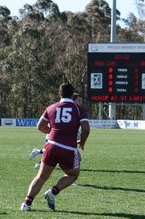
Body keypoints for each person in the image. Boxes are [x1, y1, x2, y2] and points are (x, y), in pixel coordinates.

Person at [21, 83, 90, 211]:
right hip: (68, 148)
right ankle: (53, 192)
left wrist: (53, 132)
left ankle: (26, 203)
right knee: (73, 175)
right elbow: (86, 128)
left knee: (41, 176)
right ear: (72, 94)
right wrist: (82, 142)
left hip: (51, 145)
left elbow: (40, 126)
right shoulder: (78, 108)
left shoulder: (51, 107)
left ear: (59, 94)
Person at [29, 93, 85, 169]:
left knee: (75, 157)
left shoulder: (75, 111)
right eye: (78, 101)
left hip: (59, 137)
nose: (80, 103)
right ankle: (41, 163)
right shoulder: (71, 110)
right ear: (72, 101)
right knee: (56, 153)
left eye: (81, 101)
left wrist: (78, 140)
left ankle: (39, 153)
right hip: (53, 136)